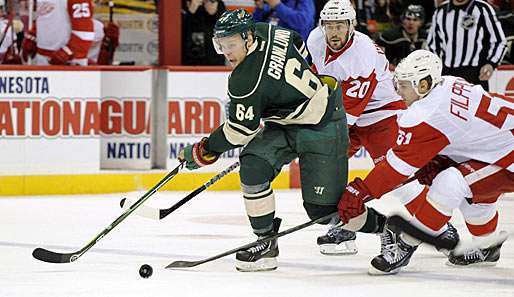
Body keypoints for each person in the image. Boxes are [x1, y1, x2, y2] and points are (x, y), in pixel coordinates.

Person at [178, 8, 349, 272]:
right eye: (221, 45)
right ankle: (266, 242)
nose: (226, 52)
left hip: (322, 118)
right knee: (253, 164)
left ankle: (388, 230)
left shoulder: (245, 80)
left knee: (322, 211)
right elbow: (297, 42)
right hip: (286, 121)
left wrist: (204, 150)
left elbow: (238, 132)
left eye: (231, 45)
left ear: (247, 38)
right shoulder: (269, 30)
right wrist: (282, 95)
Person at [337, 49, 513, 274]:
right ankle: (487, 247)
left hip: (507, 155)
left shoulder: (425, 113)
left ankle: (404, 246)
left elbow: (396, 169)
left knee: (450, 183)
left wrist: (361, 191)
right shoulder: (448, 82)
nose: (398, 91)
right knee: (475, 194)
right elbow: (468, 133)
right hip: (498, 151)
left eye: (403, 86)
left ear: (423, 85)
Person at [307, 0, 429, 256]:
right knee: (327, 169)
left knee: (398, 180)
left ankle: (439, 229)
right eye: (329, 26)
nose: (334, 32)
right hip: (344, 112)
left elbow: (350, 114)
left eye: (340, 26)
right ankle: (345, 225)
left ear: (352, 26)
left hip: (381, 114)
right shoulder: (315, 40)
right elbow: (318, 83)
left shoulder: (363, 53)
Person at [427, 0, 507, 90]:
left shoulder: (482, 8)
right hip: (447, 75)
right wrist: (435, 68)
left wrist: (491, 63)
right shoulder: (440, 11)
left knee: (475, 104)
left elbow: (499, 41)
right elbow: (432, 45)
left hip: (475, 74)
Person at [21, 0, 95, 65]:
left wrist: (68, 52)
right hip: (43, 57)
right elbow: (45, 16)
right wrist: (33, 36)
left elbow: (85, 30)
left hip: (69, 62)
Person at [376, 4, 427, 69]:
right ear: (402, 20)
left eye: (415, 20)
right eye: (408, 19)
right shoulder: (389, 37)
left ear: (421, 22)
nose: (411, 23)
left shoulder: (426, 37)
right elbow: (378, 60)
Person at [182, 0, 226, 65]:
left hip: (215, 61)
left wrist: (214, 13)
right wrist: (189, 12)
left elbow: (225, 29)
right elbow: (177, 32)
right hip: (190, 61)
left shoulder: (216, 3)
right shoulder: (184, 3)